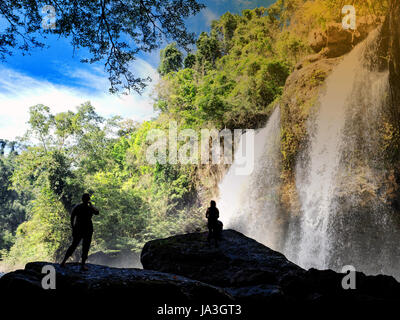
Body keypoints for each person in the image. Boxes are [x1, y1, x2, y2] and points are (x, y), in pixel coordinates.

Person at [60, 193, 99, 271]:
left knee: (83, 246)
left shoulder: (87, 207)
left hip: (84, 229)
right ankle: (67, 262)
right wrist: (73, 228)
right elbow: (72, 217)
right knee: (77, 245)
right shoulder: (79, 207)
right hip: (81, 228)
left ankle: (80, 264)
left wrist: (73, 227)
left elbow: (97, 212)